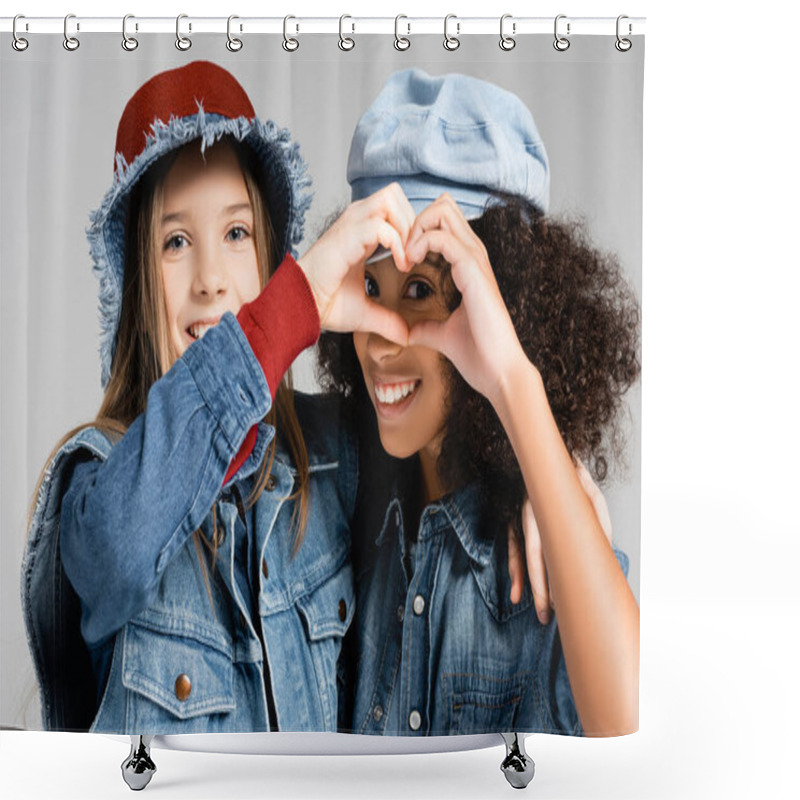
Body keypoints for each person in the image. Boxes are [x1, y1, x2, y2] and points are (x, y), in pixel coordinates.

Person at [20, 60, 418, 733]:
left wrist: (552, 473)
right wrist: (290, 308)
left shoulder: (332, 454)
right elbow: (120, 549)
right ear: (138, 282)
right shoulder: (96, 484)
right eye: (176, 242)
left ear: (267, 256)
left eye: (236, 234)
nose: (209, 279)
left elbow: (452, 503)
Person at [318, 69, 641, 737]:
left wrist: (514, 384)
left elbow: (630, 730)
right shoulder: (345, 494)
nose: (379, 343)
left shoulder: (546, 558)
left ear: (505, 308)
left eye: (420, 292)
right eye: (370, 289)